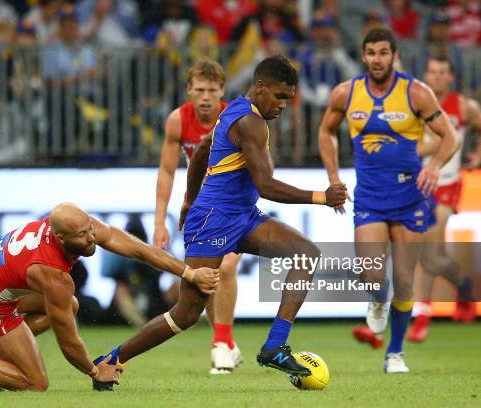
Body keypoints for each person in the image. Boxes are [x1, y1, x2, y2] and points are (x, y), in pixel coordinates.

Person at [95, 55, 348, 390]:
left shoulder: (238, 110)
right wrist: (322, 197)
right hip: (213, 221)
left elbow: (201, 149)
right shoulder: (250, 122)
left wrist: (188, 198)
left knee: (305, 254)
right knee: (186, 313)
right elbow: (266, 186)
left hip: (242, 216)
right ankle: (110, 360)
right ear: (260, 87)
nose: (285, 105)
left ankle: (275, 346)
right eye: (280, 96)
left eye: (289, 98)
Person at [0, 203, 218, 391]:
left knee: (71, 305)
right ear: (60, 238)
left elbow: (139, 249)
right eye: (84, 236)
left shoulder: (77, 226)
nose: (92, 239)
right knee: (35, 383)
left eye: (91, 230)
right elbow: (68, 341)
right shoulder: (52, 275)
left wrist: (188, 274)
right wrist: (94, 370)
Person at [318, 28, 458, 373]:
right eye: (371, 53)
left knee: (406, 279)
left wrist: (436, 166)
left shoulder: (416, 92)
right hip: (370, 197)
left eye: (383, 53)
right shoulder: (346, 93)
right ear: (363, 56)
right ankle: (377, 300)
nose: (377, 59)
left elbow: (449, 135)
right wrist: (334, 177)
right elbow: (325, 132)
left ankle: (395, 353)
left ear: (394, 56)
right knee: (371, 276)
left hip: (410, 197)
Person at [154, 59, 242, 374]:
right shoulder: (178, 120)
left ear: (222, 91)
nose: (206, 97)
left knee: (228, 268)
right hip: (201, 208)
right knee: (206, 277)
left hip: (234, 203)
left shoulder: (235, 119)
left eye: (212, 90)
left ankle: (221, 344)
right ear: (190, 90)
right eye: (200, 90)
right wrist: (159, 221)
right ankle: (227, 343)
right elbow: (166, 171)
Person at [407, 55, 481, 342]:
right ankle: (464, 286)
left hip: (446, 184)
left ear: (450, 77)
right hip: (417, 185)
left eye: (442, 72)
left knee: (429, 252)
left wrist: (478, 157)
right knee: (430, 257)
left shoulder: (464, 106)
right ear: (426, 75)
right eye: (432, 71)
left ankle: (422, 314)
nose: (437, 76)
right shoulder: (416, 102)